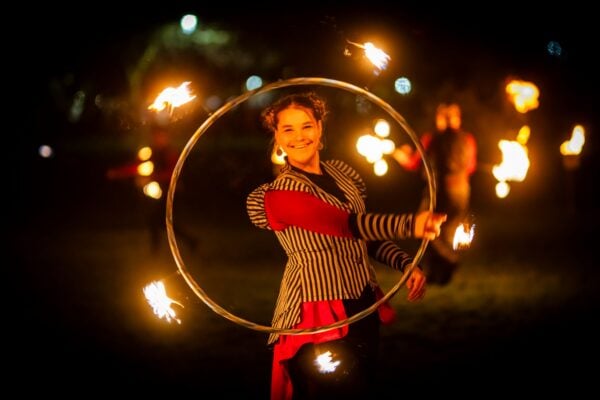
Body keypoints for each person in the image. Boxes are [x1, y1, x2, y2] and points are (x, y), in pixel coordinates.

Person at [246, 92, 446, 399]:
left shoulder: (342, 174)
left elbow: (366, 236)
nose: (300, 136)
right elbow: (343, 224)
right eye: (288, 129)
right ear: (276, 136)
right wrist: (411, 223)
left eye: (306, 126)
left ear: (320, 127)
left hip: (362, 305)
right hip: (314, 313)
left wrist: (405, 263)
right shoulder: (278, 194)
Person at [393, 103, 477, 285]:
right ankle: (439, 275)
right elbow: (471, 167)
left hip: (440, 190)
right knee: (446, 231)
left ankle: (450, 260)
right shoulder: (468, 139)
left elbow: (414, 163)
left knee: (425, 227)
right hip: (462, 189)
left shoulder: (433, 138)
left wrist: (400, 155)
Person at [107, 124, 197, 253]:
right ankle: (185, 243)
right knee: (159, 221)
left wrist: (153, 177)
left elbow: (172, 174)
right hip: (159, 192)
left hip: (171, 193)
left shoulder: (170, 153)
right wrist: (118, 173)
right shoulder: (152, 152)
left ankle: (176, 245)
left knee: (159, 220)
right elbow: (138, 166)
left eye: (161, 136)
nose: (157, 139)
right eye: (155, 136)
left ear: (166, 137)